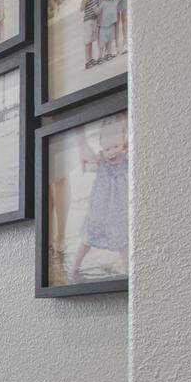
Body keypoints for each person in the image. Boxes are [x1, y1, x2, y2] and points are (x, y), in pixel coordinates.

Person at [71, 113, 129, 282]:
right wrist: (89, 164)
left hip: (118, 211)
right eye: (106, 148)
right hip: (99, 209)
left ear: (124, 142)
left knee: (123, 243)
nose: (111, 152)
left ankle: (129, 273)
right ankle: (74, 269)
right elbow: (88, 167)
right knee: (87, 240)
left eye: (115, 146)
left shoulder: (125, 157)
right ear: (101, 146)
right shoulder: (101, 158)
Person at [80, 0, 102, 67]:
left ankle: (91, 58)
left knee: (92, 40)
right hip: (88, 20)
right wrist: (86, 0)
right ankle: (87, 61)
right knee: (88, 41)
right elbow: (81, 8)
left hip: (94, 19)